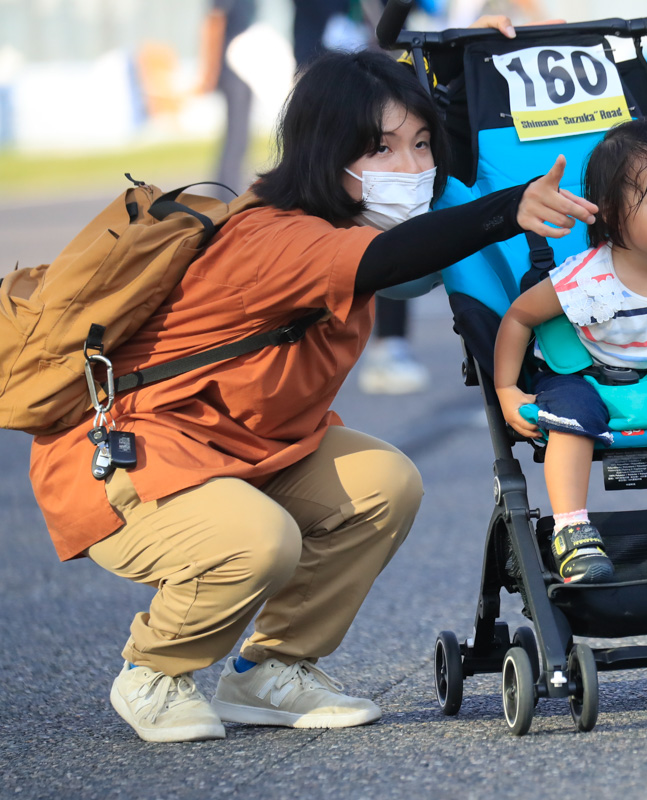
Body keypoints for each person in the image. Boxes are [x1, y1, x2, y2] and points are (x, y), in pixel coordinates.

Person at [26, 26, 598, 744]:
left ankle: (273, 669)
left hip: (246, 452)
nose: (413, 167)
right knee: (260, 541)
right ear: (329, 154)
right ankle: (153, 672)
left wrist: (465, 68)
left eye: (422, 146)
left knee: (385, 483)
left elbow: (416, 253)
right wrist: (501, 209)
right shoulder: (278, 237)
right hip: (133, 459)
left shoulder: (348, 217)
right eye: (382, 149)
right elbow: (399, 257)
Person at [493, 118, 647, 586]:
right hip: (584, 376)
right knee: (570, 422)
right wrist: (507, 389)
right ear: (611, 212)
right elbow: (520, 317)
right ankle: (572, 529)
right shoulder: (588, 279)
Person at [198, 0, 256, 191]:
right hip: (232, 69)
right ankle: (225, 195)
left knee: (240, 140)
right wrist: (210, 71)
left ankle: (227, 192)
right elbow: (214, 22)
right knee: (236, 140)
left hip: (245, 67)